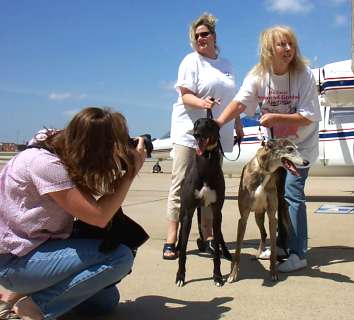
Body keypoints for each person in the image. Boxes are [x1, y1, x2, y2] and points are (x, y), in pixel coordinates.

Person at [0, 107, 146, 319]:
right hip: (14, 262)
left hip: (38, 249)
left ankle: (18, 295)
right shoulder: (45, 164)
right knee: (119, 258)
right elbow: (98, 216)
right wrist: (130, 173)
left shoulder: (60, 146)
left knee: (104, 303)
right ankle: (34, 307)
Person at [216, 25, 321, 272]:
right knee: (278, 197)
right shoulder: (257, 76)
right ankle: (282, 245)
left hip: (300, 145)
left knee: (293, 194)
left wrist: (276, 117)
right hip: (274, 150)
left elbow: (309, 116)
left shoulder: (304, 75)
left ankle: (298, 254)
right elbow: (240, 103)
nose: (288, 49)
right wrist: (218, 123)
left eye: (291, 44)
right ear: (268, 49)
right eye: (281, 44)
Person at [163, 12, 243, 259]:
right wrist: (202, 102)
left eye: (204, 34)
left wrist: (238, 125)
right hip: (190, 133)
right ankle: (172, 237)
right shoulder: (190, 61)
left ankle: (207, 236)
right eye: (196, 36)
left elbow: (234, 100)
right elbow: (185, 95)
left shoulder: (227, 65)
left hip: (216, 135)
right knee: (181, 184)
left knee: (211, 186)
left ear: (214, 36)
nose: (200, 38)